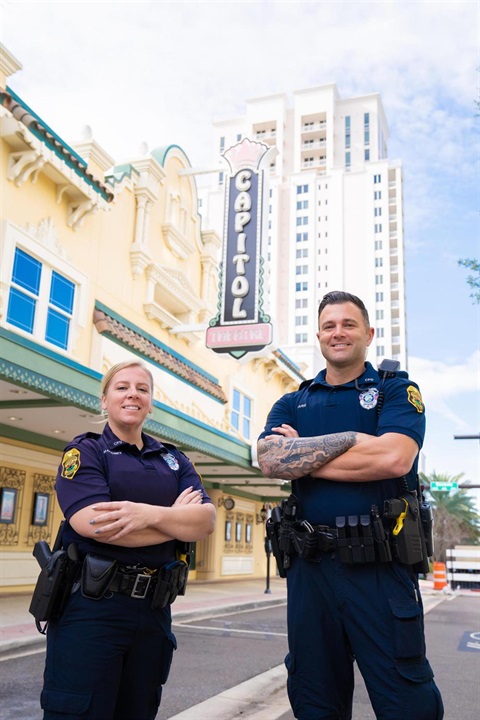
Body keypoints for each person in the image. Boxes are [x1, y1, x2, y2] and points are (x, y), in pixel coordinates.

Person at [257, 291, 443, 720]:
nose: (337, 332)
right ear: (319, 336)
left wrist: (302, 458)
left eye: (348, 324)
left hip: (380, 571)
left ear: (368, 333)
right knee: (313, 698)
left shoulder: (395, 391)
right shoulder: (293, 401)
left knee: (407, 700)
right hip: (311, 574)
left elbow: (393, 457)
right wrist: (356, 442)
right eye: (329, 326)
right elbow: (270, 459)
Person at [40, 359, 216, 720]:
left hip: (153, 612)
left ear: (150, 403)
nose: (133, 394)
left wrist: (147, 515)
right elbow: (96, 525)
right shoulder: (85, 452)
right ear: (104, 400)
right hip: (91, 609)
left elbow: (205, 522)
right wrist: (175, 519)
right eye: (121, 387)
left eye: (142, 389)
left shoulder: (173, 459)